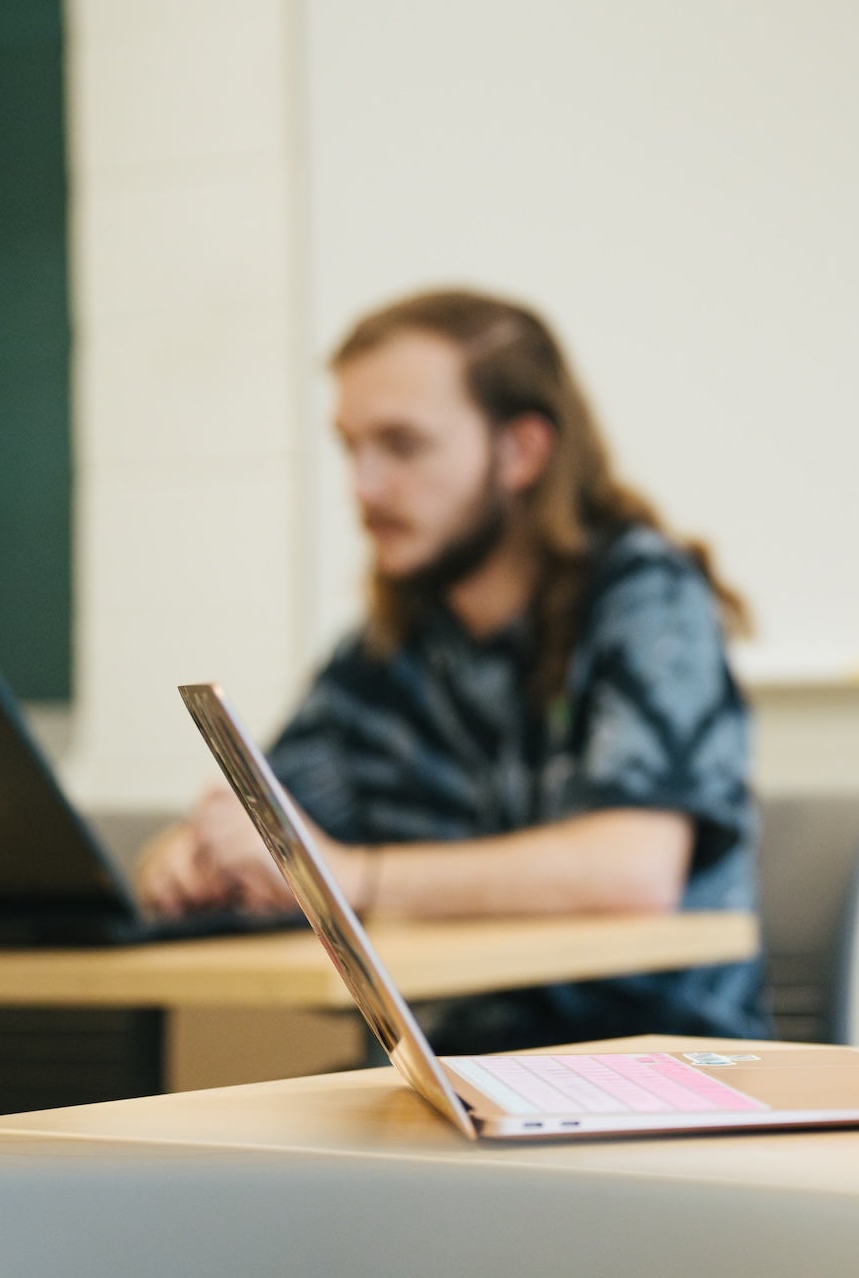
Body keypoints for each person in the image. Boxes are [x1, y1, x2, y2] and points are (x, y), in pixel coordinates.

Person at [138, 289, 768, 1050]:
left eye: (403, 446)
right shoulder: (385, 652)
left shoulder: (645, 601)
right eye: (351, 447)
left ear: (522, 452)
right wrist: (197, 859)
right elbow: (280, 825)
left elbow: (631, 871)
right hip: (442, 1078)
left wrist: (352, 877)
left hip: (649, 1073)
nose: (363, 488)